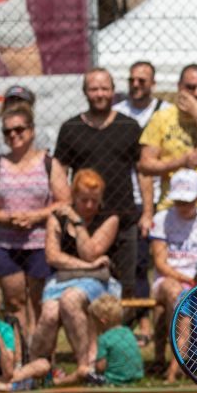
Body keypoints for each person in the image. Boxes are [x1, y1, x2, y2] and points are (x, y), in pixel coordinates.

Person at [0, 102, 69, 341]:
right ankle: (22, 357)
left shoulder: (49, 163)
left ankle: (44, 361)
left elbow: (64, 201)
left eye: (19, 129)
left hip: (41, 244)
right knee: (15, 303)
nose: (14, 135)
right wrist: (7, 218)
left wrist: (37, 216)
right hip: (6, 245)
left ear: (32, 130)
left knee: (40, 303)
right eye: (7, 131)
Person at [54, 69, 146, 301]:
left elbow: (143, 172)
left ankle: (125, 334)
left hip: (123, 216)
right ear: (85, 92)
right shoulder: (70, 128)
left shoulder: (129, 126)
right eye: (94, 89)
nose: (100, 94)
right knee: (88, 282)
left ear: (113, 91)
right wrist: (66, 208)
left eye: (104, 88)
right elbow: (60, 173)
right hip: (86, 222)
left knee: (127, 283)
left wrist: (147, 212)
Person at [31, 170, 120, 381]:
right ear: (73, 196)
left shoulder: (109, 218)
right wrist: (87, 266)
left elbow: (90, 252)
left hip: (99, 281)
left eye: (94, 201)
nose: (89, 206)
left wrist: (78, 224)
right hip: (61, 279)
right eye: (84, 200)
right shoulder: (57, 217)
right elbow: (52, 256)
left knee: (71, 299)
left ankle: (85, 366)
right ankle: (37, 369)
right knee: (50, 313)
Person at [149, 170, 197, 371]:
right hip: (169, 279)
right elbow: (161, 263)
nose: (183, 206)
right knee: (177, 293)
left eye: (188, 201)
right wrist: (187, 279)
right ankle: (179, 362)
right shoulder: (161, 219)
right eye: (179, 201)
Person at [140, 64, 197, 233]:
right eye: (190, 88)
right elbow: (145, 164)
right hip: (173, 206)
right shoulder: (161, 118)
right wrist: (179, 162)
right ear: (179, 87)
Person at [113, 60, 165, 341]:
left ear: (153, 83)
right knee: (134, 263)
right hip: (128, 197)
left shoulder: (165, 113)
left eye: (142, 81)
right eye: (132, 80)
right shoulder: (117, 113)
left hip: (164, 197)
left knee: (162, 263)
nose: (136, 85)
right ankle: (138, 322)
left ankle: (161, 325)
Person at [87, 294, 145, 385]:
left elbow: (101, 367)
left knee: (82, 372)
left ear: (102, 321)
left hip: (113, 380)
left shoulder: (103, 339)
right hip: (136, 376)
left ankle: (60, 381)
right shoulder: (128, 332)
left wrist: (94, 365)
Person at [0, 86, 53, 160]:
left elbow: (44, 163)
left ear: (30, 106)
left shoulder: (41, 134)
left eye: (21, 101)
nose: (16, 105)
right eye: (11, 101)